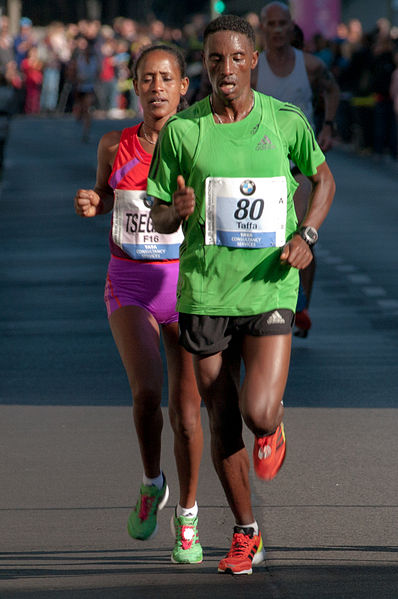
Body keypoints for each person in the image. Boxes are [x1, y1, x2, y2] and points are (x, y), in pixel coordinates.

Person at [148, 15, 335, 575]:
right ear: (201, 66)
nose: (224, 69)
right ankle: (245, 534)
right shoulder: (184, 132)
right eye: (213, 60)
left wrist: (306, 234)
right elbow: (157, 211)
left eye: (234, 59)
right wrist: (172, 213)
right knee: (222, 416)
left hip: (270, 283)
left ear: (252, 61)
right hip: (205, 293)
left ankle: (273, 426)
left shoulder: (284, 121)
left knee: (256, 412)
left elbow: (322, 180)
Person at [74, 44, 204, 565]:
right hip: (129, 283)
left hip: (189, 287)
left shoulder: (199, 147)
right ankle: (153, 482)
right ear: (134, 86)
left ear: (182, 89)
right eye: (147, 78)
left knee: (190, 415)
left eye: (166, 78)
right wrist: (95, 201)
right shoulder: (114, 144)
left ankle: (189, 518)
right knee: (148, 392)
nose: (156, 88)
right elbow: (107, 193)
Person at [253, 2, 340, 336]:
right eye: (270, 24)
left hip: (299, 163)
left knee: (302, 232)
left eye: (282, 23)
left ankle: (301, 306)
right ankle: (271, 301)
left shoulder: (311, 65)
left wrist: (328, 125)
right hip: (262, 166)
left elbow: (332, 89)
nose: (276, 30)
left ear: (291, 27)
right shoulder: (254, 69)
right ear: (262, 27)